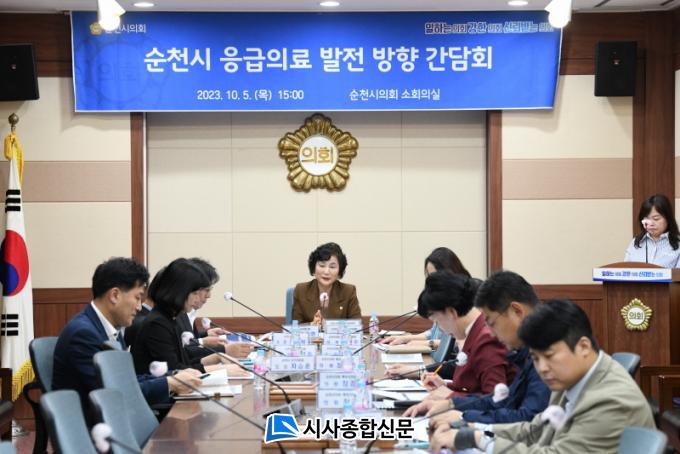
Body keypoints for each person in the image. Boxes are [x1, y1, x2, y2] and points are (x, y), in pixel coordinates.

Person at [429, 299, 655, 453]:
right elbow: (533, 430)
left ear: (583, 347)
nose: (542, 368)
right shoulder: (572, 377)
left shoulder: (609, 400)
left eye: (549, 356)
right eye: (536, 358)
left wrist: (479, 440)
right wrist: (472, 428)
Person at [53, 257, 201, 410]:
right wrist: (170, 383)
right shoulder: (83, 334)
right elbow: (115, 392)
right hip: (98, 421)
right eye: (137, 297)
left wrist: (174, 375)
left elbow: (127, 379)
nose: (139, 307)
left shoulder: (109, 328)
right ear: (114, 295)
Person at [406, 271, 550, 426]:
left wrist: (464, 417)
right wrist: (451, 403)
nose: (492, 333)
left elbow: (526, 417)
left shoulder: (545, 351)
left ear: (517, 311)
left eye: (491, 322)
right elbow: (502, 399)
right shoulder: (528, 349)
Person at [399, 270, 510, 398]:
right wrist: (445, 386)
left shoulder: (487, 337)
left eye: (437, 321)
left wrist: (451, 396)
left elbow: (495, 399)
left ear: (451, 312)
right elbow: (474, 387)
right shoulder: (476, 330)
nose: (440, 330)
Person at [132, 258, 250, 375]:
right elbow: (175, 372)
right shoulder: (158, 324)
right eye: (194, 293)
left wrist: (216, 357)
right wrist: (220, 370)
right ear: (179, 292)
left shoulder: (170, 318)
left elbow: (183, 363)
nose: (198, 298)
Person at [380, 247, 471, 348]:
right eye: (429, 276)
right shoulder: (441, 296)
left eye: (435, 275)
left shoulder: (466, 295)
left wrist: (429, 343)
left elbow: (463, 340)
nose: (432, 281)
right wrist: (404, 339)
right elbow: (434, 333)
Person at [176, 258, 253, 360]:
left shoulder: (189, 311)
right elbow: (185, 352)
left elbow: (189, 340)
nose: (209, 296)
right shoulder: (177, 313)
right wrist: (223, 350)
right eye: (206, 290)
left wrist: (206, 334)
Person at [292, 242, 361, 324]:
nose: (326, 272)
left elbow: (356, 325)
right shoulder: (301, 290)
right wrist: (312, 324)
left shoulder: (348, 291)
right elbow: (295, 326)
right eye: (322, 265)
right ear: (314, 268)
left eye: (332, 267)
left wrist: (330, 326)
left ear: (339, 271)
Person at [624, 193, 680, 268]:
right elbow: (626, 270)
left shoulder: (678, 245)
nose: (651, 223)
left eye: (656, 219)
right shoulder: (635, 243)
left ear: (668, 218)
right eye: (646, 219)